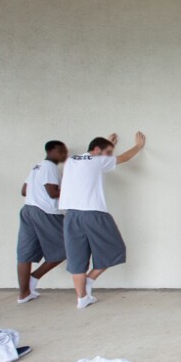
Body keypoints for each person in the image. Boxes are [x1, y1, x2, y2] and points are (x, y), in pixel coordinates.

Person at [59, 132, 146, 309]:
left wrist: (107, 144)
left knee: (77, 257)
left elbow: (93, 158)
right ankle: (90, 280)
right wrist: (138, 146)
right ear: (97, 150)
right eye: (108, 152)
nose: (110, 157)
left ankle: (81, 298)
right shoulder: (98, 161)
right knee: (116, 248)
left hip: (71, 215)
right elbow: (123, 158)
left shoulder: (71, 161)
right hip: (93, 213)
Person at [16, 140, 69, 303]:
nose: (64, 154)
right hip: (45, 212)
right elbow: (52, 193)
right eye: (62, 151)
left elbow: (24, 191)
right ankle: (34, 277)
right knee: (67, 248)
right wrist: (72, 189)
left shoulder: (36, 167)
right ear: (51, 151)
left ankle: (24, 293)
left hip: (28, 210)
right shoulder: (50, 167)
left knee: (25, 253)